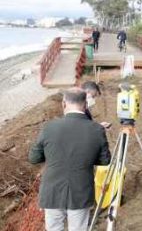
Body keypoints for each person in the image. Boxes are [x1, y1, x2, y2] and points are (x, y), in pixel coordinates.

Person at [28, 88, 111, 231]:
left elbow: (34, 158)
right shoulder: (97, 129)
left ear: (63, 104)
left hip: (52, 191)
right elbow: (105, 160)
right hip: (81, 191)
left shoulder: (49, 127)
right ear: (85, 105)